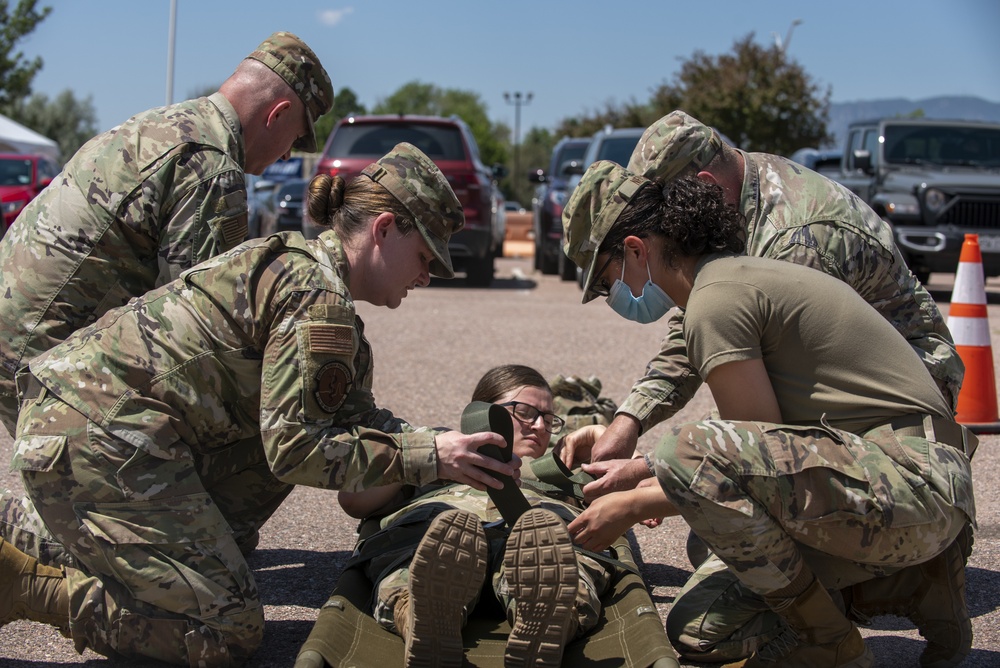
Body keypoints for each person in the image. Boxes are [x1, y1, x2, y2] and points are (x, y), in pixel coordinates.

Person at [0, 143, 519, 667]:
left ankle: (19, 525)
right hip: (100, 438)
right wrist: (429, 455)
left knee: (229, 551)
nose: (426, 276)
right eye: (425, 256)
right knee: (226, 630)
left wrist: (452, 450)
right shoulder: (318, 301)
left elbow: (357, 420)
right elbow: (296, 450)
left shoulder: (312, 278)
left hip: (98, 428)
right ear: (383, 229)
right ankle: (23, 585)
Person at [560, 162, 975, 667]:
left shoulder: (715, 303)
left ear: (634, 249)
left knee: (689, 457)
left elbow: (742, 455)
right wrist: (645, 475)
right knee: (700, 624)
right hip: (919, 479)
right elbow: (759, 450)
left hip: (911, 487)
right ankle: (920, 582)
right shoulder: (735, 277)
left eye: (608, 281)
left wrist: (629, 504)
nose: (615, 296)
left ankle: (828, 641)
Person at [582, 110, 963, 472]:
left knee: (730, 506)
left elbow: (760, 411)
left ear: (705, 186)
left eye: (663, 208)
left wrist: (660, 472)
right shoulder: (735, 200)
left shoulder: (794, 239)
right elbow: (696, 325)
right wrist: (630, 419)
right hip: (849, 384)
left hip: (901, 408)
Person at [0, 31, 334, 436]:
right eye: (295, 140)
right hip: (40, 364)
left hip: (19, 337)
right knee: (206, 448)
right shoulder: (211, 165)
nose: (286, 155)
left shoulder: (160, 122)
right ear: (276, 113)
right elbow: (201, 326)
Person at [337, 364, 613, 668]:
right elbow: (354, 500)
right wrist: (424, 459)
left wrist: (603, 437)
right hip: (441, 538)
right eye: (524, 412)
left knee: (556, 568)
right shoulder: (438, 455)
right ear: (483, 413)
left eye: (548, 419)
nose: (538, 426)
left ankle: (550, 625)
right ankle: (420, 621)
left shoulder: (561, 468)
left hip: (534, 542)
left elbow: (628, 484)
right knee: (418, 565)